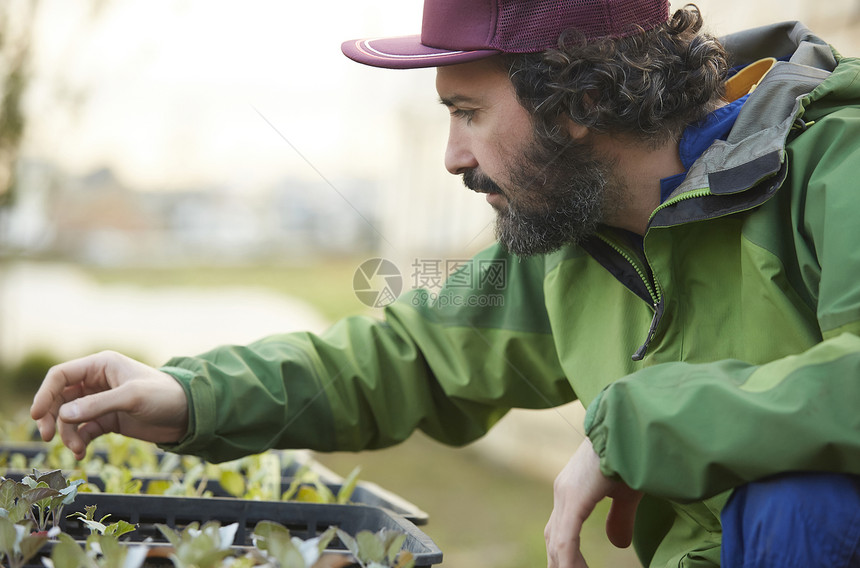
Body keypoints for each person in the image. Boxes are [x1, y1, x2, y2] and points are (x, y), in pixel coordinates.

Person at [30, 0, 860, 566]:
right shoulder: (569, 243)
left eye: (467, 112)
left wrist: (634, 427)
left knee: (802, 502)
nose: (452, 157)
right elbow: (406, 356)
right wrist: (190, 394)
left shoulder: (836, 165)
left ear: (582, 100)